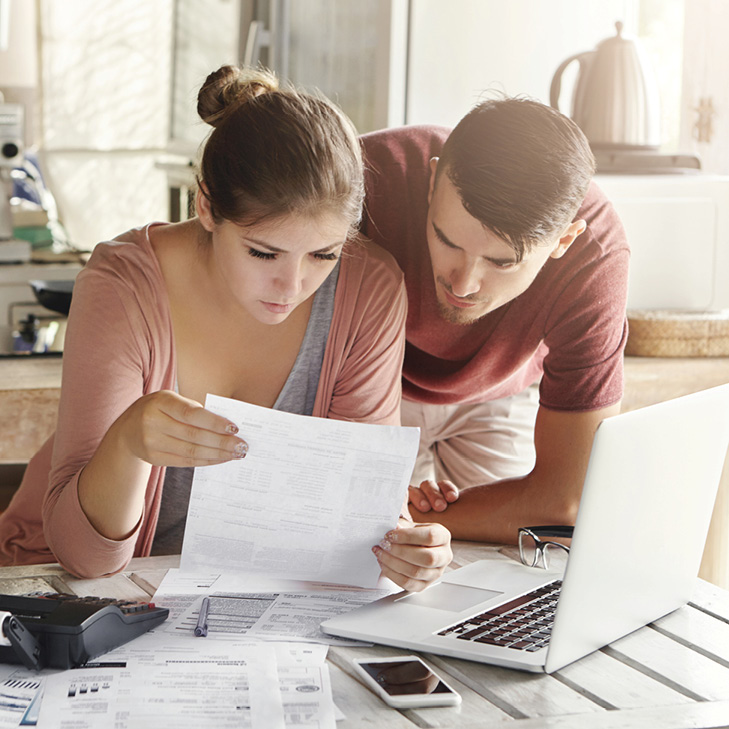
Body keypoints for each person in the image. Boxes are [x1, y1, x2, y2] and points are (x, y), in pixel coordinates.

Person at [0, 66, 452, 590]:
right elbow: (85, 560)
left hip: (255, 602)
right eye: (264, 252)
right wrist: (127, 443)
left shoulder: (369, 288)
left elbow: (358, 515)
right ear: (207, 206)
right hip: (67, 586)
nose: (293, 284)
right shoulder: (120, 285)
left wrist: (405, 547)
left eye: (324, 254)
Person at [359, 97, 629, 543]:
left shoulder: (596, 257)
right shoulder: (363, 178)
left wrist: (403, 516)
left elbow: (565, 504)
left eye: (502, 263)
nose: (463, 285)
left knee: (511, 564)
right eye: (447, 239)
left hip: (501, 392)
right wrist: (370, 512)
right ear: (432, 183)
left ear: (564, 240)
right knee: (353, 555)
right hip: (371, 381)